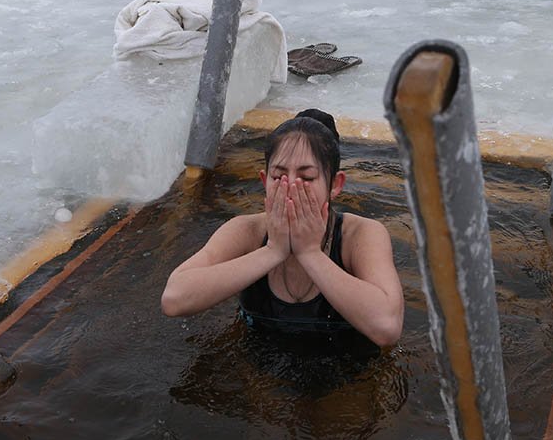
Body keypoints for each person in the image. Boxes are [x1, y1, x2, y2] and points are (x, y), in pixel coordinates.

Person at [161, 109, 404, 347]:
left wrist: (310, 253)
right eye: (278, 177)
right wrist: (272, 251)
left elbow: (387, 327)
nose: (290, 188)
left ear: (335, 185)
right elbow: (174, 299)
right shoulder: (247, 231)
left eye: (307, 178)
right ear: (264, 181)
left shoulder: (360, 235)